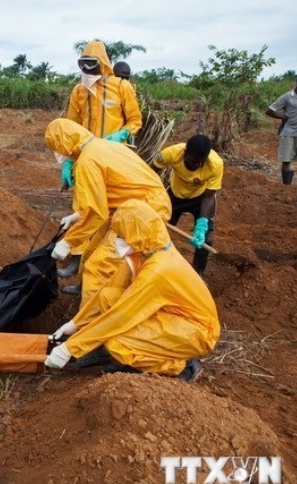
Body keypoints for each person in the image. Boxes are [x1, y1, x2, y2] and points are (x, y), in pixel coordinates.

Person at [44, 199, 220, 383]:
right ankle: (135, 354)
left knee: (117, 343)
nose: (117, 240)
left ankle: (182, 367)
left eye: (121, 235)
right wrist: (75, 323)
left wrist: (70, 348)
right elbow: (110, 290)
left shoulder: (158, 271)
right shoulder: (145, 253)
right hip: (173, 316)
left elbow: (122, 315)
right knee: (108, 296)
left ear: (136, 233)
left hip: (195, 331)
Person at [46, 118, 171, 307]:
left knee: (99, 268)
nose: (58, 153)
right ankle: (86, 294)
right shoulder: (102, 145)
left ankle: (88, 326)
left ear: (64, 142)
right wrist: (76, 216)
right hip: (130, 207)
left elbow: (96, 213)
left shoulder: (88, 161)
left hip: (142, 215)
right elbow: (105, 196)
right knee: (92, 251)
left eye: (56, 147)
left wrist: (68, 242)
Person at [58, 41, 143, 288]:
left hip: (114, 159)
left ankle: (101, 276)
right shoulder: (78, 92)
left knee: (111, 216)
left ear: (103, 65)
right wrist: (66, 164)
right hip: (86, 160)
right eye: (84, 68)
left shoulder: (121, 87)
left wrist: (120, 135)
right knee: (84, 209)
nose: (88, 73)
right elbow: (70, 129)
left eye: (93, 68)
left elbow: (135, 120)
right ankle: (76, 259)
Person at [150, 134, 223, 276]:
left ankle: (197, 275)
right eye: (194, 161)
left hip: (201, 198)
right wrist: (152, 195)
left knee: (206, 240)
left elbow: (209, 196)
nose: (197, 165)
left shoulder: (216, 164)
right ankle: (153, 267)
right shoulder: (171, 153)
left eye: (201, 162)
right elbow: (150, 172)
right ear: (185, 153)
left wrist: (202, 225)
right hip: (175, 195)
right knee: (159, 231)